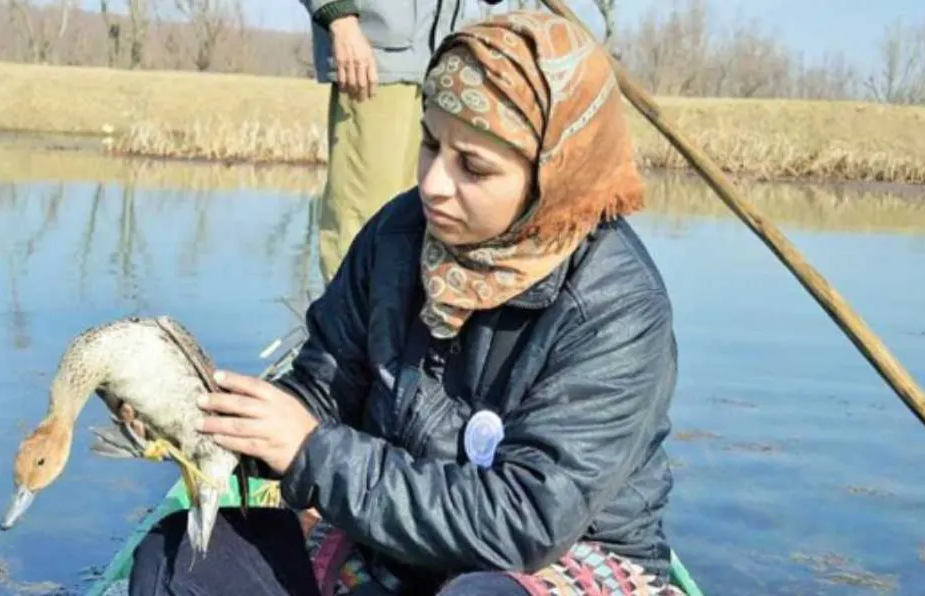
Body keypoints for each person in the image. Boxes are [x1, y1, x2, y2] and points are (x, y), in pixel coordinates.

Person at [129, 10, 686, 596]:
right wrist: (203, 425)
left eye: (472, 165)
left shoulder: (618, 308)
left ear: (550, 177)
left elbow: (525, 521)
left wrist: (312, 454)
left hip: (555, 558)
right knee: (179, 558)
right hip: (395, 535)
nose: (433, 183)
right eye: (430, 142)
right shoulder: (397, 236)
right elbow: (323, 393)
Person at [301, 0, 504, 284]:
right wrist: (340, 19)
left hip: (439, 60)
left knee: (418, 223)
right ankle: (346, 325)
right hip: (373, 61)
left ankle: (393, 325)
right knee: (361, 225)